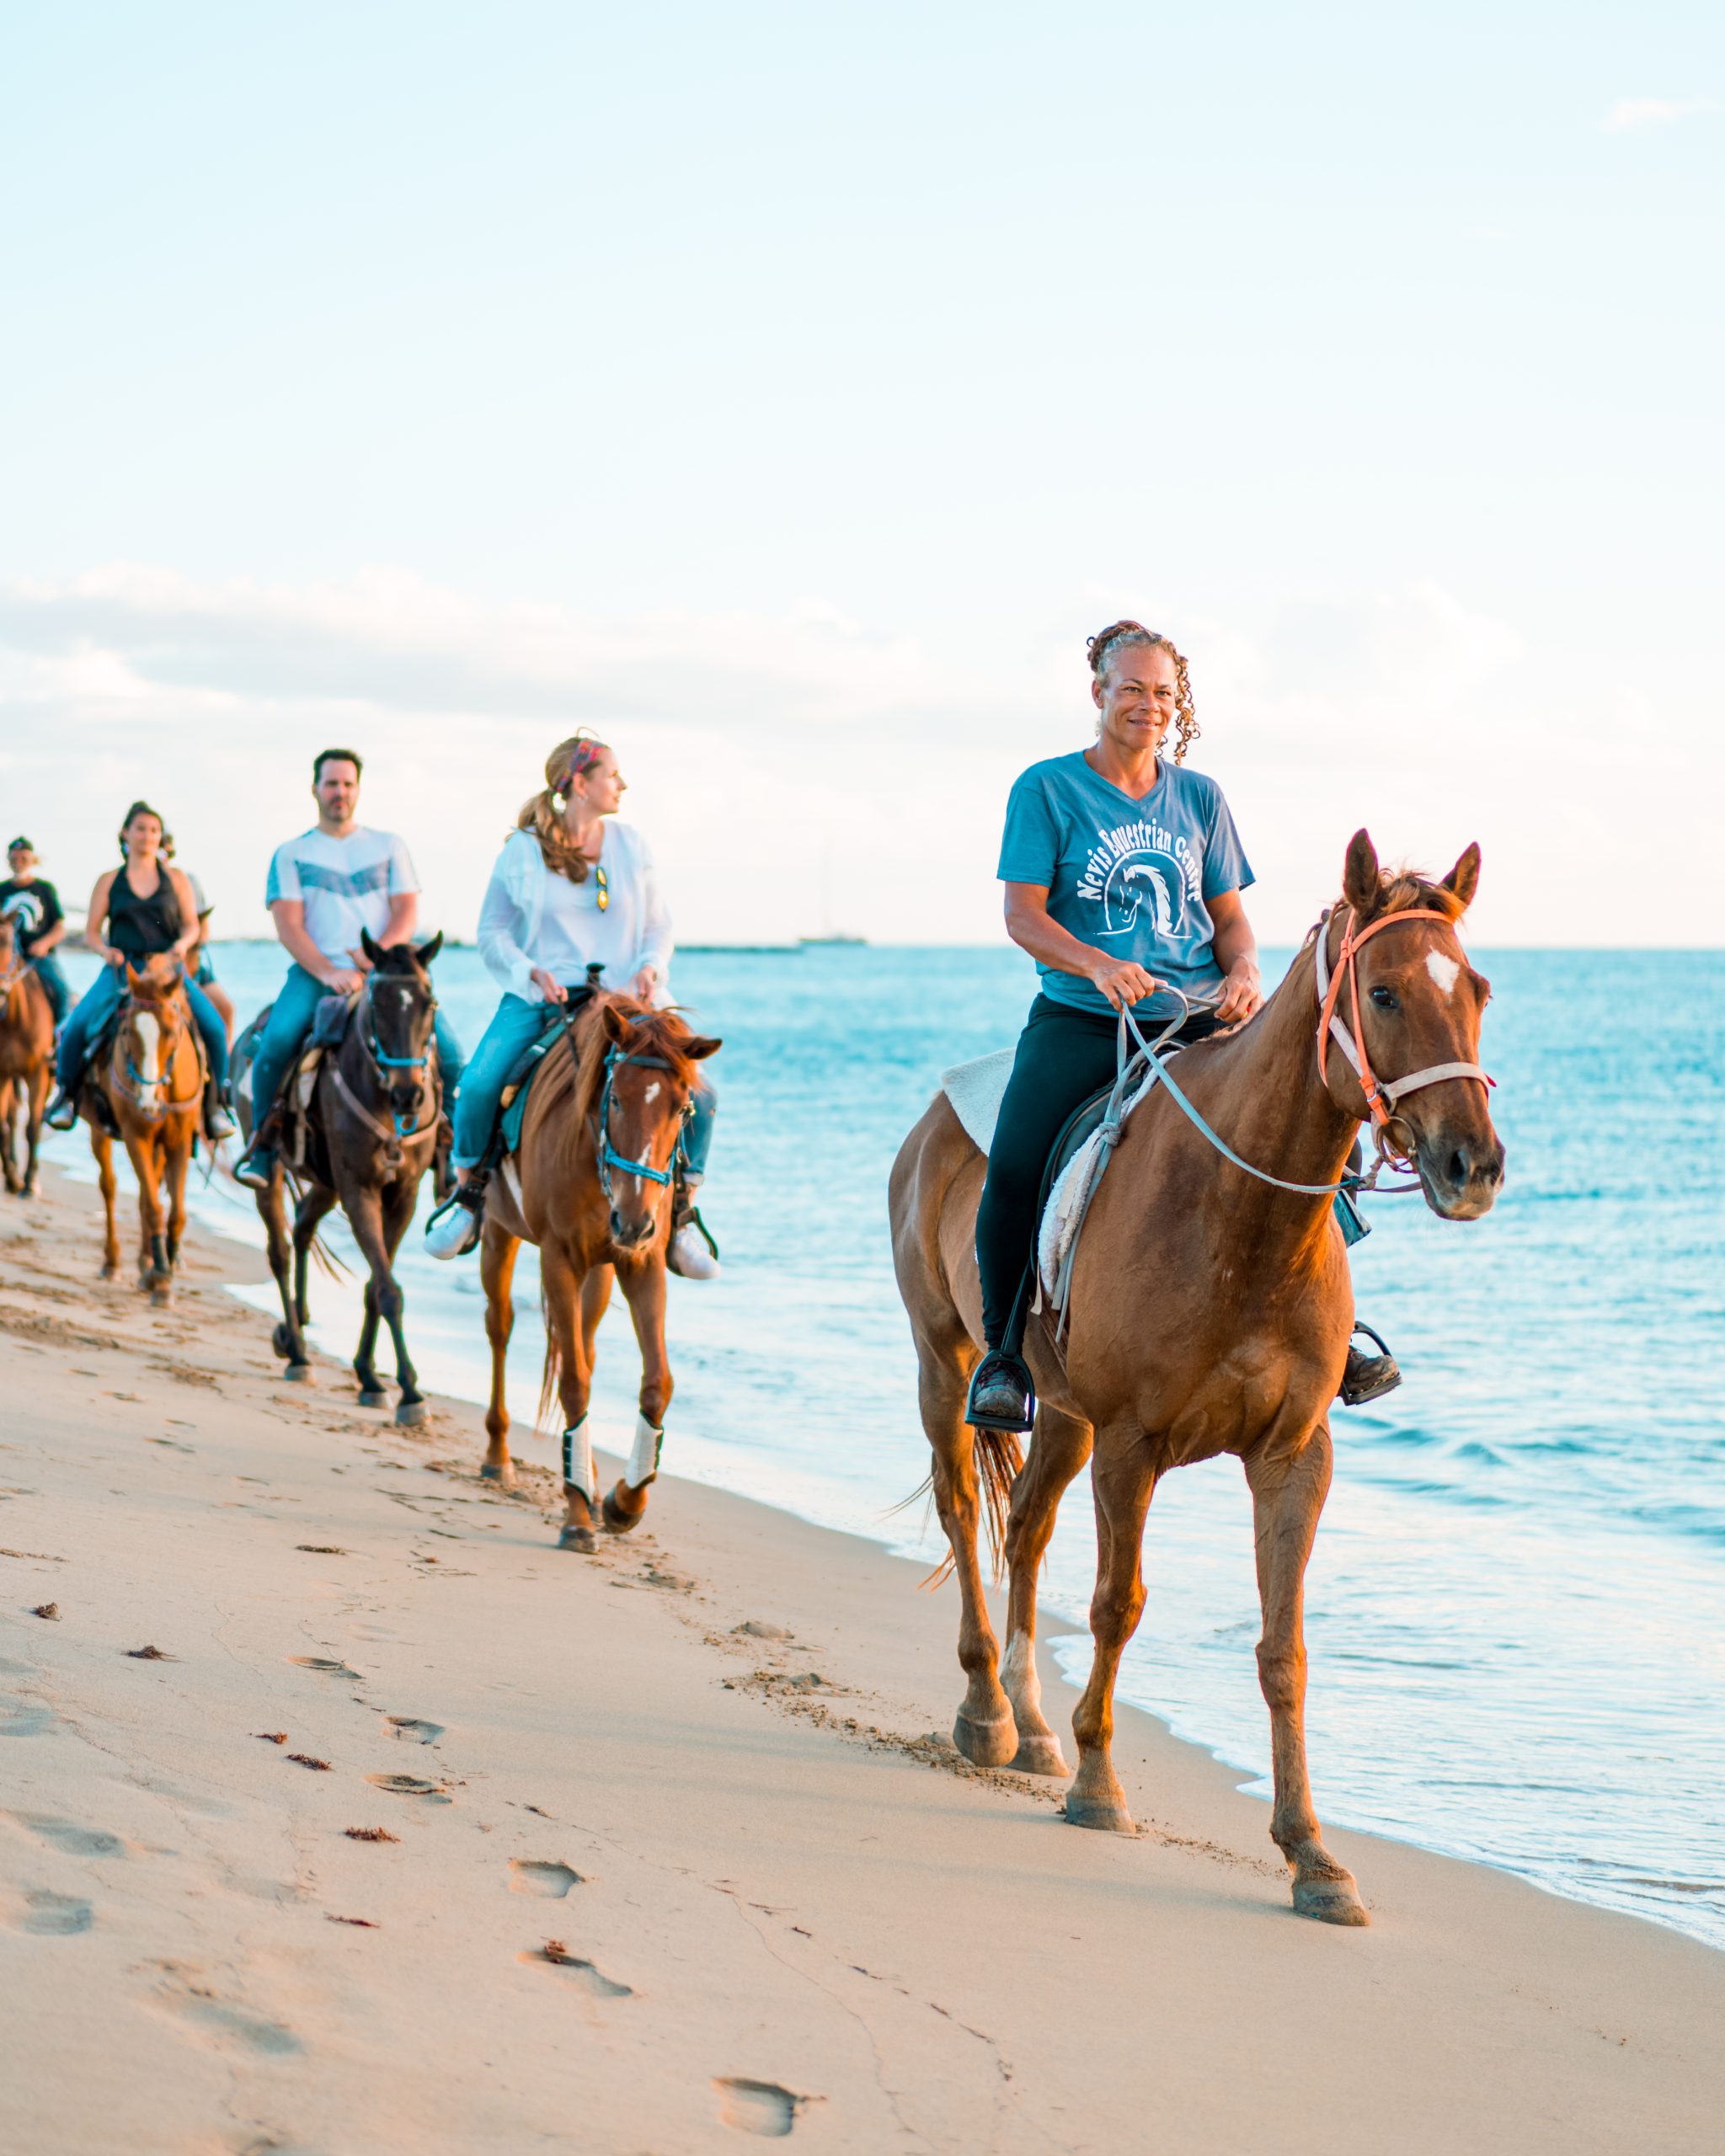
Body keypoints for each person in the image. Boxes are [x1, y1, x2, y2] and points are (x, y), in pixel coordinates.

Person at [964, 621, 1398, 1433]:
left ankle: (1337, 1337)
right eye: (1131, 688)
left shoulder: (1200, 798)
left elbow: (1230, 920)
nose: (1148, 705)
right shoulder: (1047, 789)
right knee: (1019, 1164)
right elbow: (1022, 916)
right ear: (1098, 694)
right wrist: (1096, 964)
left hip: (1197, 1021)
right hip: (1088, 1018)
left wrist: (1243, 973)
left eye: (1163, 693)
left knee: (1307, 1139)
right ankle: (1002, 1356)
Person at [422, 733, 719, 1277]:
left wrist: (651, 966)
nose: (621, 784)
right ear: (580, 784)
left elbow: (659, 926)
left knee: (704, 1093)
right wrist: (526, 970)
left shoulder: (631, 845)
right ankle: (468, 1197)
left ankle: (680, 1217)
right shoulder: (522, 851)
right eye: (612, 775)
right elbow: (491, 931)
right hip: (545, 997)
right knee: (481, 1083)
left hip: (632, 1003)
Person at [233, 748, 467, 1189]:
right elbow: (288, 924)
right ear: (315, 789)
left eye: (347, 784)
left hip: (384, 970)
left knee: (451, 1053)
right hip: (316, 972)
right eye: (331, 784)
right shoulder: (293, 853)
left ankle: (450, 1152)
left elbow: (405, 908)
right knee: (277, 1044)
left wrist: (377, 954)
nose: (339, 792)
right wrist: (327, 971)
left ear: (357, 790)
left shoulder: (388, 846)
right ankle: (262, 1149)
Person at [45, 803, 235, 1140]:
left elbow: (192, 926)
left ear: (160, 837)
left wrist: (181, 946)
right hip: (123, 969)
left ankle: (218, 1105)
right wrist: (105, 950)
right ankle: (66, 1097)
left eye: (153, 830)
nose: (147, 835)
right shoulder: (109, 881)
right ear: (125, 834)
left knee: (215, 1027)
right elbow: (91, 932)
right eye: (140, 828)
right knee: (76, 1026)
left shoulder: (176, 879)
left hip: (166, 971)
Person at [162, 835, 235, 1044]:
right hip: (163, 963)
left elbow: (201, 924)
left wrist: (190, 947)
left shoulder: (187, 881)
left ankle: (225, 1066)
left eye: (165, 851)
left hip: (192, 963)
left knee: (226, 1008)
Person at [0, 837, 71, 1027]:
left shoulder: (44, 889)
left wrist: (44, 944)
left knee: (62, 991)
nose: (18, 860)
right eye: (14, 857)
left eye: (23, 856)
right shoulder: (2, 890)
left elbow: (59, 927)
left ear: (32, 858)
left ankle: (59, 1040)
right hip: (7, 959)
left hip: (39, 957)